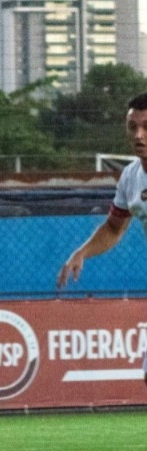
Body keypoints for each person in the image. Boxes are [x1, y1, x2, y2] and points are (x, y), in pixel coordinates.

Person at [58, 91, 147, 381]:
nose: (139, 135)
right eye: (133, 127)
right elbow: (113, 228)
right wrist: (81, 252)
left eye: (146, 126)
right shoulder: (131, 177)